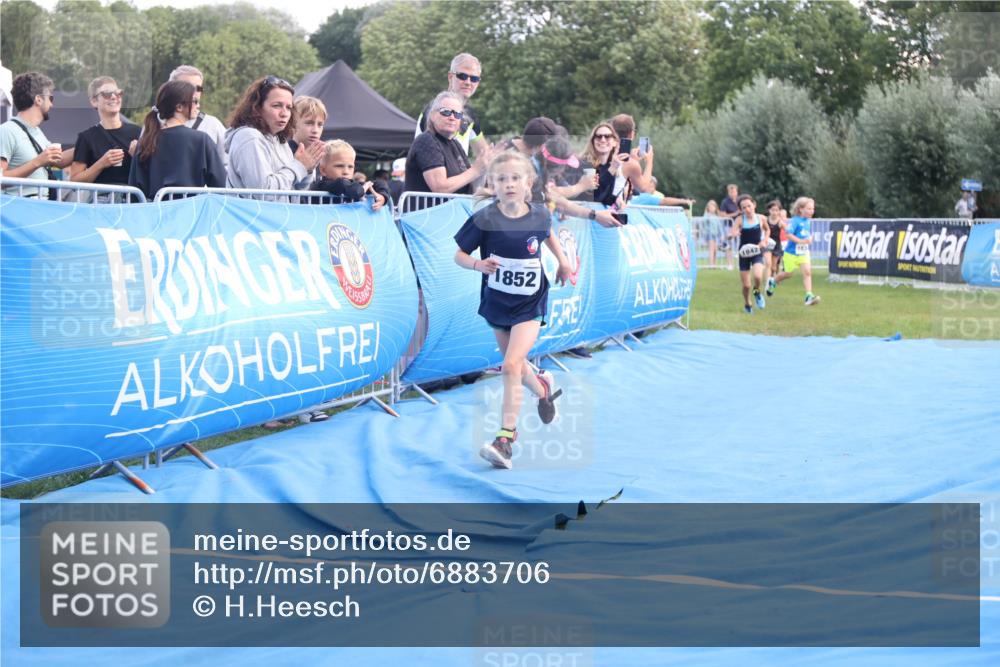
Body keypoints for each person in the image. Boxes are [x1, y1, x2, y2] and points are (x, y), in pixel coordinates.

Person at [453, 151, 572, 470]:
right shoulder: (484, 218)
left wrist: (562, 261)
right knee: (515, 367)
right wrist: (478, 264)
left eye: (515, 178)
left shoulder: (539, 214)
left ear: (528, 184)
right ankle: (543, 388)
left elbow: (547, 234)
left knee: (511, 364)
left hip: (531, 301)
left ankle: (505, 439)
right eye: (502, 179)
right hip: (497, 301)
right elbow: (459, 255)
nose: (508, 184)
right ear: (492, 184)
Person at [224, 76, 324, 197]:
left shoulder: (279, 140)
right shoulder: (249, 137)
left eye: (289, 107)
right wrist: (299, 166)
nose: (284, 114)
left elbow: (293, 191)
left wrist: (306, 169)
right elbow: (264, 192)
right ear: (257, 107)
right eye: (277, 105)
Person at [128, 80, 225, 199]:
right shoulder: (201, 140)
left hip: (155, 213)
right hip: (190, 213)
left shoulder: (145, 142)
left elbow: (135, 192)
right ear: (179, 107)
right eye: (194, 101)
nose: (198, 105)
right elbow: (220, 186)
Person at [0, 71, 73, 198]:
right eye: (51, 98)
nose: (52, 104)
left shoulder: (36, 131)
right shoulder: (6, 131)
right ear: (38, 99)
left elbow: (59, 160)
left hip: (40, 208)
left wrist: (87, 143)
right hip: (19, 210)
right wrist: (38, 162)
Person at [404, 91, 491, 197]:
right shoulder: (426, 140)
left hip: (456, 211)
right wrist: (475, 170)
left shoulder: (456, 145)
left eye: (458, 114)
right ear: (432, 116)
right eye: (446, 112)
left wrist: (485, 168)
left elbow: (469, 183)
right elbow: (440, 187)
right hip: (429, 212)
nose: (452, 117)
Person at [68, 76, 141, 197]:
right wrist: (101, 163)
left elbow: (153, 171)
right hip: (102, 204)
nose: (114, 97)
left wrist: (139, 157)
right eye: (107, 94)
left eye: (118, 93)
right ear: (94, 101)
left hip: (133, 203)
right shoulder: (87, 137)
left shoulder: (137, 132)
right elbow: (74, 181)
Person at [415, 53, 488, 157]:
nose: (468, 82)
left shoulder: (469, 113)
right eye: (462, 76)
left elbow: (484, 152)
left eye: (474, 79)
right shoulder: (436, 109)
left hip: (459, 173)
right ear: (450, 77)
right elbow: (431, 162)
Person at [169, 65, 227, 168]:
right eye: (187, 86)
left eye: (198, 88)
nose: (195, 92)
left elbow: (227, 164)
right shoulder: (154, 122)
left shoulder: (212, 125)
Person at [310, 139, 388, 210]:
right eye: (339, 166)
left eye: (350, 167)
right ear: (323, 170)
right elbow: (343, 185)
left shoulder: (351, 184)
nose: (346, 171)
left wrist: (382, 196)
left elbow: (379, 183)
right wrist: (363, 189)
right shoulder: (321, 185)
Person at [774, 196, 821, 306]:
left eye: (812, 209)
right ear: (800, 209)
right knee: (788, 274)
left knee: (807, 272)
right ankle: (773, 281)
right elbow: (788, 234)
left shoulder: (808, 221)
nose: (812, 211)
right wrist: (800, 241)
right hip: (791, 253)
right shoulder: (795, 221)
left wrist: (809, 239)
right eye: (809, 209)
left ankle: (808, 296)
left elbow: (806, 235)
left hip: (803, 253)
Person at [729, 194, 770, 314]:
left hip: (757, 251)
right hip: (744, 254)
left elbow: (767, 230)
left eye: (749, 206)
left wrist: (765, 240)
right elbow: (733, 231)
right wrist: (735, 233)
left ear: (754, 205)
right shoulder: (740, 219)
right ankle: (747, 304)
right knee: (746, 285)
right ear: (741, 210)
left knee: (758, 276)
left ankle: (757, 292)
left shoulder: (761, 218)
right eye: (743, 207)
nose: (747, 209)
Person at [763, 199, 785, 296]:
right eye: (773, 210)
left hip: (776, 245)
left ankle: (772, 280)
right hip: (767, 244)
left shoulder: (780, 222)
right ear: (769, 210)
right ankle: (767, 284)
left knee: (773, 267)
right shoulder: (765, 220)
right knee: (768, 263)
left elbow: (788, 230)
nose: (775, 212)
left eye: (777, 210)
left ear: (779, 211)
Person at [701, 200, 728, 269]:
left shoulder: (716, 216)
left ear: (715, 208)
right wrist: (707, 216)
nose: (712, 208)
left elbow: (720, 226)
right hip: (709, 235)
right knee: (711, 250)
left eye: (713, 207)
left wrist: (722, 234)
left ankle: (714, 264)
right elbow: (703, 223)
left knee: (715, 250)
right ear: (708, 208)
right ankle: (711, 264)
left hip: (716, 235)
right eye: (710, 207)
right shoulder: (706, 215)